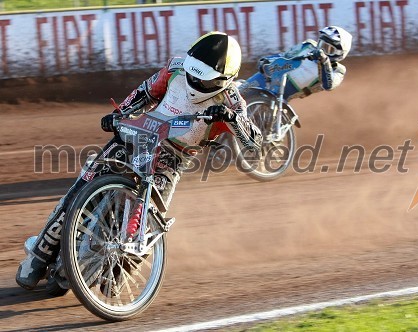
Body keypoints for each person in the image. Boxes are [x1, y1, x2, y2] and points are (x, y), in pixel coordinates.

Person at [16, 31, 262, 290]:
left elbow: (253, 145)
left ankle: (119, 276)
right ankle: (38, 257)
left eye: (205, 79)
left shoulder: (232, 101)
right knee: (80, 189)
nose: (195, 80)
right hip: (135, 137)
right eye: (193, 72)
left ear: (226, 80)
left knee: (150, 223)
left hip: (173, 158)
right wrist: (118, 114)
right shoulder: (175, 68)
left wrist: (234, 119)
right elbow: (144, 92)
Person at [252, 26, 352, 100]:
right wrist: (267, 59)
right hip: (268, 76)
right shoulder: (308, 46)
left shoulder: (338, 70)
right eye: (321, 45)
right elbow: (285, 55)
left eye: (328, 49)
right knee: (241, 94)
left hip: (283, 96)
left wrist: (324, 61)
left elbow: (329, 85)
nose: (321, 50)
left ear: (339, 53)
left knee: (271, 124)